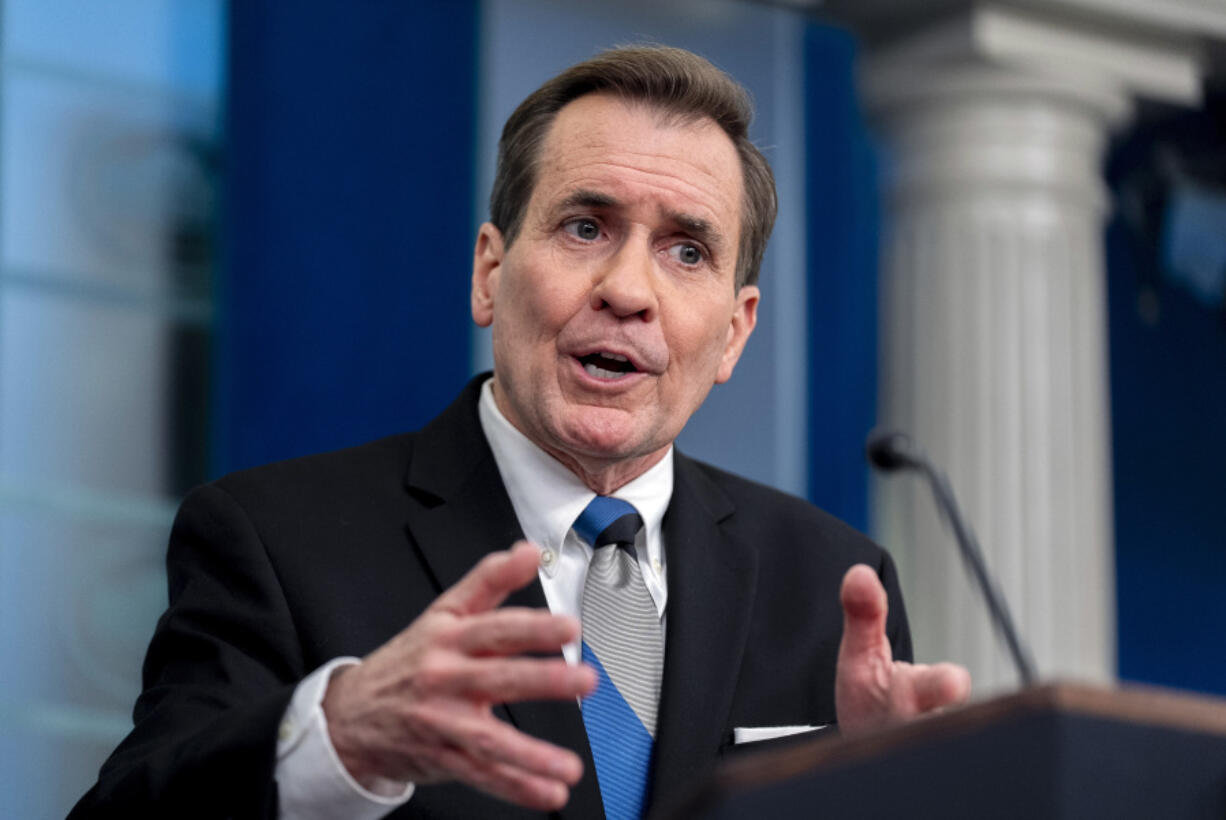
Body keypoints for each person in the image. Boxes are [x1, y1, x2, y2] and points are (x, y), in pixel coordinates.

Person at [71, 45, 970, 819]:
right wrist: (339, 739)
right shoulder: (276, 539)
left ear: (735, 331)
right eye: (586, 227)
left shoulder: (827, 584)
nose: (628, 289)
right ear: (490, 274)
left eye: (686, 250)